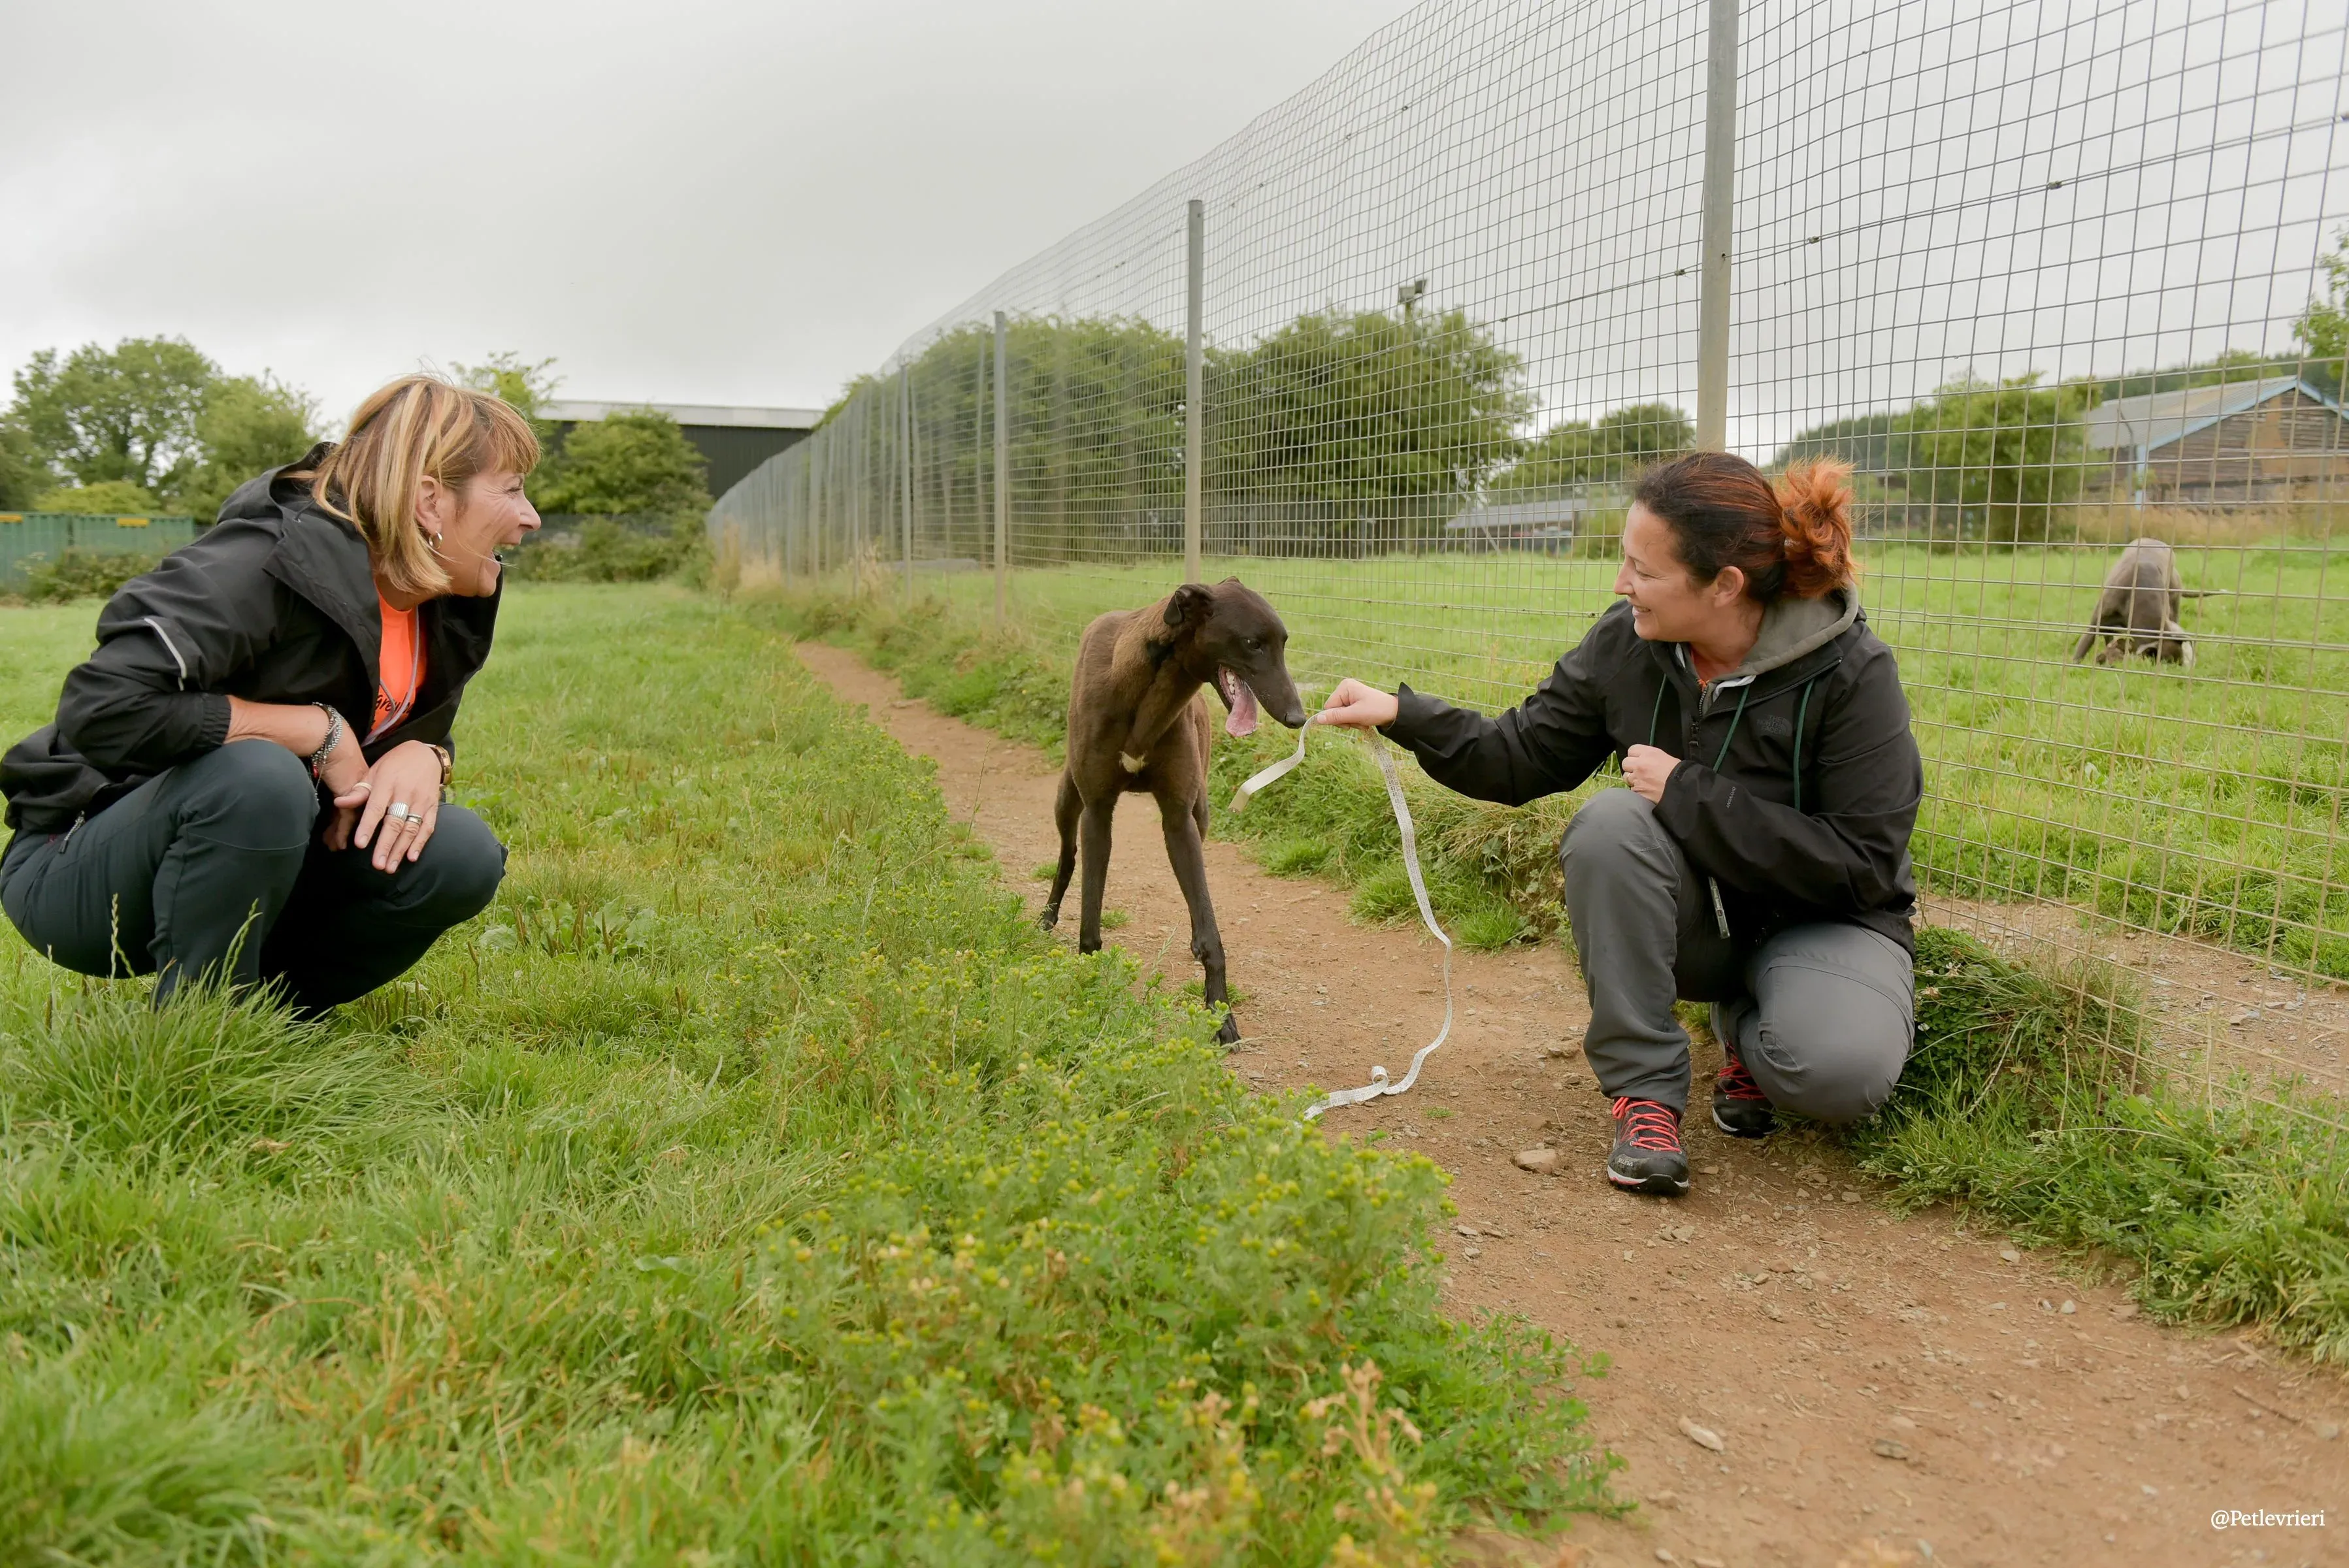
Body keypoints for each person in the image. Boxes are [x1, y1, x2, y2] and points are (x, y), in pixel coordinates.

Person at [1319, 453, 1921, 1197]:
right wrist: (1404, 714)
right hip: (1705, 922)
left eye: (1644, 569)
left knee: (1837, 1076)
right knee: (1609, 824)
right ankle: (1645, 1094)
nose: (1620, 584)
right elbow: (1521, 756)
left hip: (1824, 920)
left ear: (1724, 585)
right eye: (1622, 561)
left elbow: (1864, 863)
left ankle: (1751, 1029)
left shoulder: (1852, 672)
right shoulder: (1628, 645)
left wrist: (1688, 793)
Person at [0, 374, 540, 1009]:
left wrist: (427, 755)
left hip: (274, 850)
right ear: (429, 501)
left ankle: (267, 1025)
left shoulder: (440, 597)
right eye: (511, 490)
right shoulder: (265, 561)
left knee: (460, 854)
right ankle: (198, 1031)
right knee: (260, 773)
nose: (530, 517)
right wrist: (315, 731)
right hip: (83, 861)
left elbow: (401, 719)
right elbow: (104, 707)